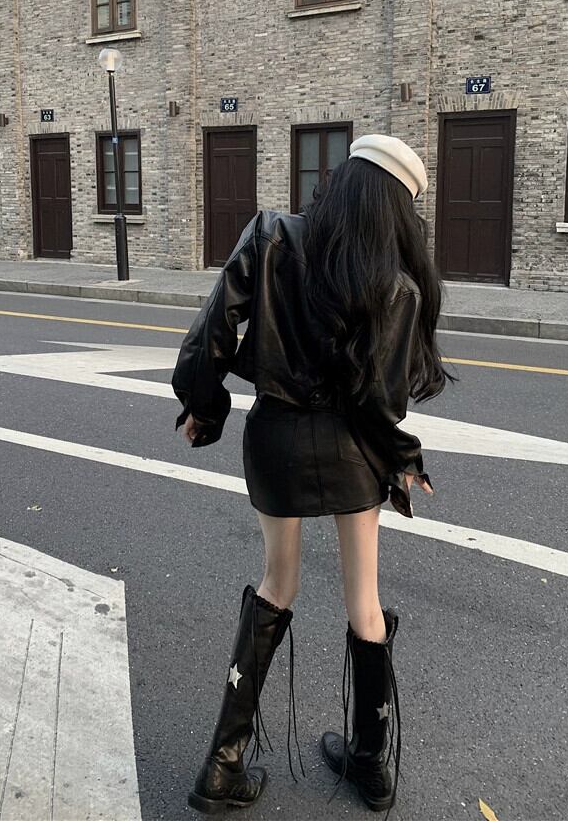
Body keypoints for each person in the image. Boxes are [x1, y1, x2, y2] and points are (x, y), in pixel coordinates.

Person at [171, 134, 453, 817]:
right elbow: (382, 403)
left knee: (278, 584)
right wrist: (402, 456)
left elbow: (211, 332)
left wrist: (205, 408)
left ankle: (222, 766)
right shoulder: (397, 285)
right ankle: (370, 765)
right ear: (398, 209)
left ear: (341, 180)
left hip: (277, 439)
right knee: (364, 602)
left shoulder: (271, 233)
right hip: (354, 448)